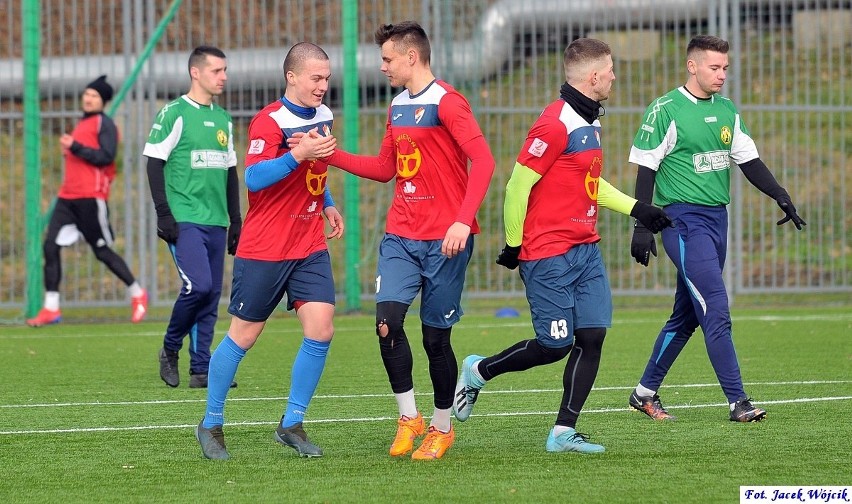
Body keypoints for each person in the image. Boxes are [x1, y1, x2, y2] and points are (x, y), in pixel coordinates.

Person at [453, 38, 672, 454]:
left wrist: (638, 209)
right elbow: (518, 185)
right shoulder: (555, 123)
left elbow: (589, 186)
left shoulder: (590, 122)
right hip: (547, 253)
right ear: (592, 77)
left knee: (592, 337)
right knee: (554, 345)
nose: (613, 76)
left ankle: (562, 432)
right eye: (609, 70)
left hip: (585, 251)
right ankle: (479, 370)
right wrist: (514, 245)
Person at [324, 21, 495, 460]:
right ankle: (408, 417)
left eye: (387, 59)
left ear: (411, 57)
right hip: (401, 234)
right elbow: (386, 168)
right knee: (386, 323)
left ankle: (441, 427)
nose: (382, 67)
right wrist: (333, 154)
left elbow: (484, 161)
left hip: (446, 242)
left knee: (436, 340)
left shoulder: (448, 102)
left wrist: (462, 220)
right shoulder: (398, 104)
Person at [626, 35, 806, 423]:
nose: (722, 74)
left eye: (725, 67)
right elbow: (646, 168)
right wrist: (642, 225)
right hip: (682, 222)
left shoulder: (727, 110)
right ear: (692, 66)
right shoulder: (665, 109)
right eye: (714, 67)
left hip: (716, 221)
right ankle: (738, 400)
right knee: (716, 306)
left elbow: (749, 160)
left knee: (687, 315)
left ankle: (644, 393)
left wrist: (781, 194)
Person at [194, 42, 343, 461]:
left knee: (321, 329)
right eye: (316, 78)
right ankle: (210, 422)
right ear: (291, 77)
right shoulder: (269, 121)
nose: (323, 86)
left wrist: (327, 202)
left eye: (327, 78)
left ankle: (291, 423)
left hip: (308, 243)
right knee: (244, 335)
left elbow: (316, 168)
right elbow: (256, 178)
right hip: (266, 247)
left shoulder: (324, 117)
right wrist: (299, 152)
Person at [143, 46, 242, 389]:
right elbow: (153, 163)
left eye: (225, 70)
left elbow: (230, 173)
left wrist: (236, 221)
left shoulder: (224, 120)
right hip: (184, 218)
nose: (223, 76)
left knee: (212, 293)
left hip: (216, 221)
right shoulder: (174, 113)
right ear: (196, 73)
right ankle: (170, 348)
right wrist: (164, 214)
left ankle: (202, 369)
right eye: (217, 70)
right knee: (196, 286)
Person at [27, 75, 148, 327]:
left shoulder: (105, 124)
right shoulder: (82, 124)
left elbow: (106, 156)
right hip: (67, 196)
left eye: (94, 95)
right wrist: (71, 149)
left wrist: (75, 147)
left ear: (103, 100)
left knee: (101, 251)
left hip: (90, 198)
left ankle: (137, 293)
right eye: (86, 94)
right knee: (50, 246)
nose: (88, 98)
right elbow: (81, 154)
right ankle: (51, 308)